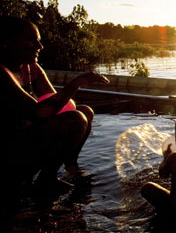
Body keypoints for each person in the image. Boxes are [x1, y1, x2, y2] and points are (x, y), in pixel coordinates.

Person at [0, 17, 109, 201]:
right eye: (31, 40)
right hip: (10, 148)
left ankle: (70, 166)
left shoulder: (30, 68)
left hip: (26, 136)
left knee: (85, 112)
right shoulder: (1, 73)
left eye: (39, 40)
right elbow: (40, 112)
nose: (39, 46)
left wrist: (75, 89)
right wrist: (76, 84)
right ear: (8, 41)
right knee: (76, 119)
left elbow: (58, 103)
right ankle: (45, 180)